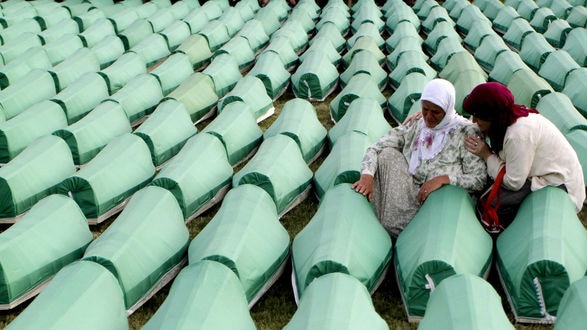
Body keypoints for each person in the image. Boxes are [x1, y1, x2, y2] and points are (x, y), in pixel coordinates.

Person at [352, 79, 487, 238]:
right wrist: (367, 175)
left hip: (437, 199)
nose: (428, 117)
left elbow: (479, 179)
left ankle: (407, 231)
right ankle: (391, 226)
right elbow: (377, 147)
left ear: (448, 108)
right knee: (387, 154)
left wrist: (443, 179)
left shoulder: (466, 133)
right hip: (410, 189)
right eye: (425, 109)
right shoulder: (417, 123)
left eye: (436, 112)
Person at [462, 82, 585, 228]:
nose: (474, 121)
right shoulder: (506, 120)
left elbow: (514, 182)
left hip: (558, 183)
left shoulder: (518, 134)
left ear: (492, 116)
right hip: (537, 171)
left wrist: (486, 154)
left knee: (491, 201)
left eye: (478, 116)